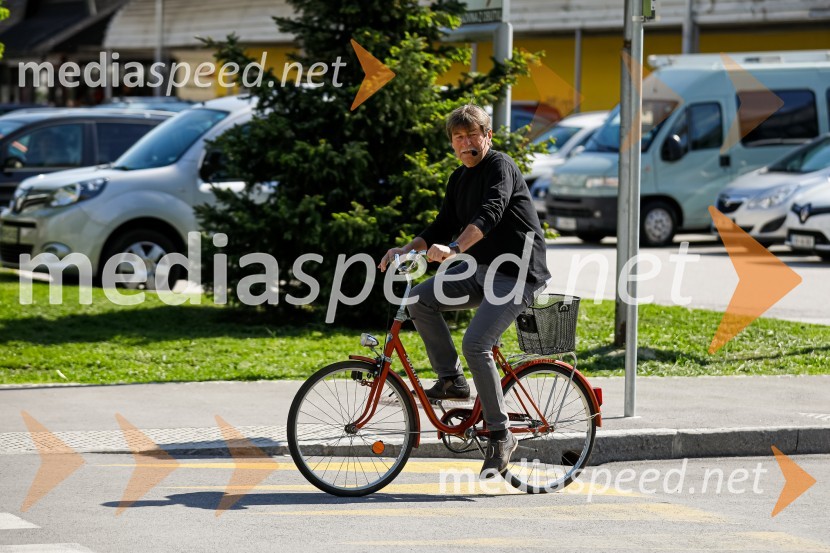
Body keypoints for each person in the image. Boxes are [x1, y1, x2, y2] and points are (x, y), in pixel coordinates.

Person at [379, 104, 551, 477]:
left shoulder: (500, 166)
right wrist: (405, 249)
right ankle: (453, 381)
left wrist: (455, 249)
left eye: (473, 134)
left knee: (476, 343)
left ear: (487, 136)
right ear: (453, 144)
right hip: (480, 270)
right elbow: (442, 222)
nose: (466, 142)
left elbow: (491, 211)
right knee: (419, 300)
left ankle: (501, 434)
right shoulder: (458, 178)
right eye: (459, 137)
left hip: (517, 273)